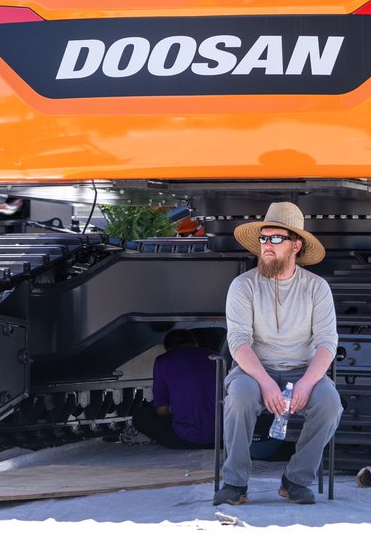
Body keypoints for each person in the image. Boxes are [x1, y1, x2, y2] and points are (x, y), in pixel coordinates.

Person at [213, 201, 341, 506]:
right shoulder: (242, 286)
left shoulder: (317, 287)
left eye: (275, 239)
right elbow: (239, 342)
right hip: (254, 370)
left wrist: (308, 383)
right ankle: (235, 483)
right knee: (241, 397)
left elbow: (326, 342)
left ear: (295, 246)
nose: (266, 246)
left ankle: (295, 480)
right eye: (262, 239)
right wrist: (266, 382)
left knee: (330, 404)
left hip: (303, 368)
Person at [132, 328, 217, 449]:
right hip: (222, 438)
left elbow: (161, 411)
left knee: (140, 415)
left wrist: (176, 408)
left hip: (186, 438)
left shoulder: (163, 361)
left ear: (168, 349)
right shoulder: (215, 357)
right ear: (195, 343)